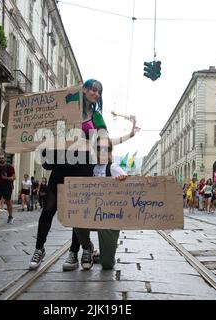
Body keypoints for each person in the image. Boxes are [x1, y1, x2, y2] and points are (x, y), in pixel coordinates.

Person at [31, 79, 138, 270]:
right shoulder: (66, 111)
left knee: (77, 211)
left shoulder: (97, 117)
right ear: (84, 90)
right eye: (93, 90)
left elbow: (105, 142)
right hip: (62, 165)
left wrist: (128, 136)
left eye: (99, 92)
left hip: (83, 167)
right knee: (48, 208)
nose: (96, 94)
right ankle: (39, 249)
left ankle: (74, 252)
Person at [74, 138, 128, 270]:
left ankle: (100, 255)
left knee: (107, 264)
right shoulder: (89, 168)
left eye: (106, 148)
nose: (102, 151)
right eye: (99, 148)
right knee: (74, 217)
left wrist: (122, 180)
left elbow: (129, 187)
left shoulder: (113, 168)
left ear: (110, 151)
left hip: (109, 218)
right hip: (90, 214)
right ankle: (88, 247)